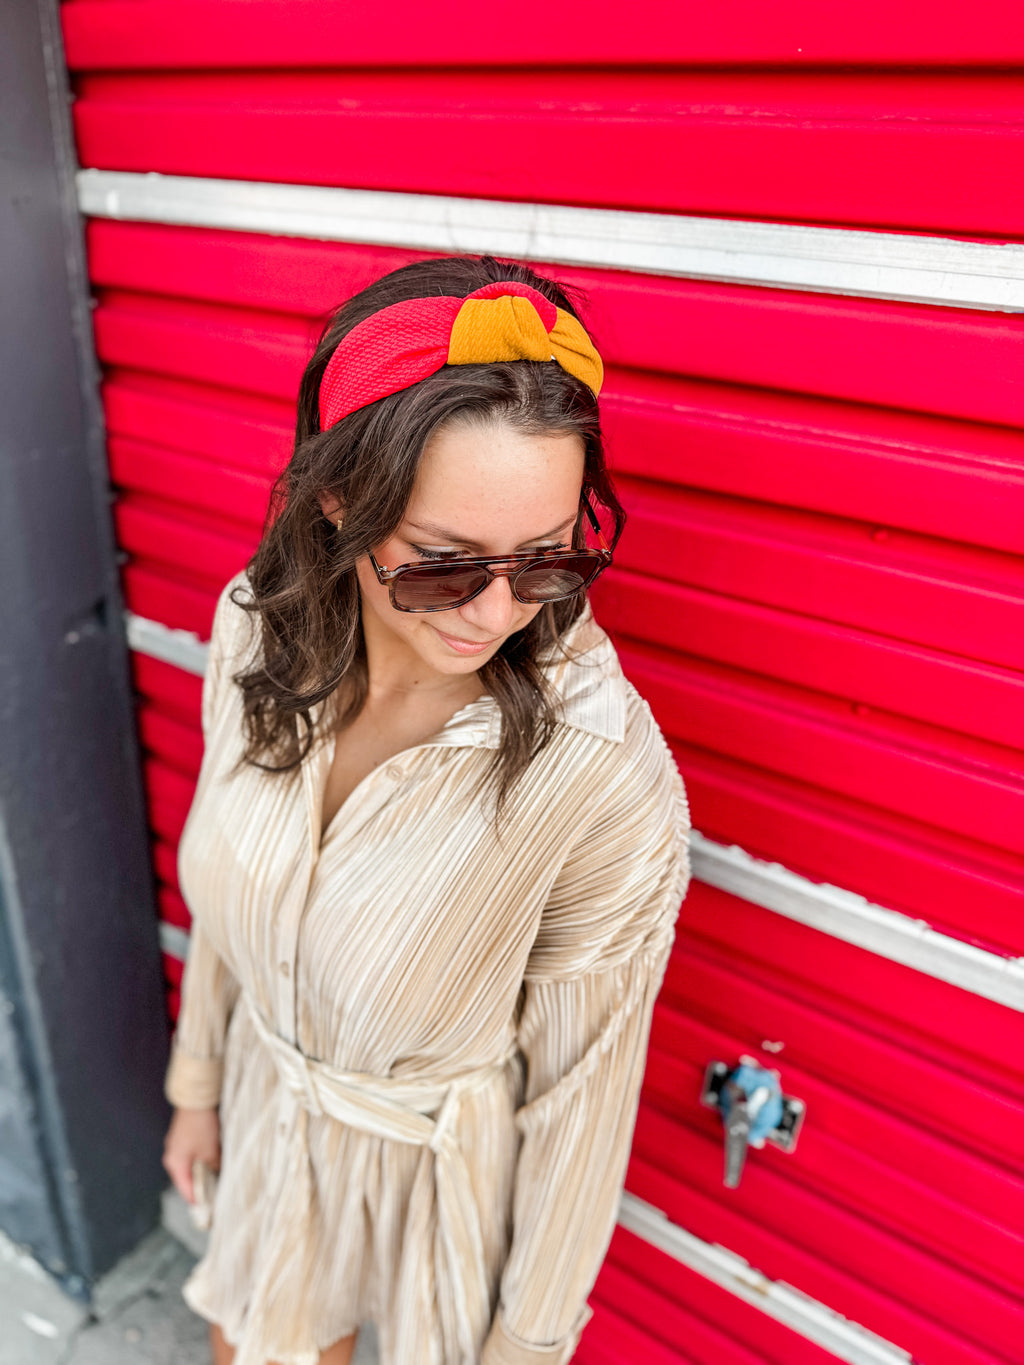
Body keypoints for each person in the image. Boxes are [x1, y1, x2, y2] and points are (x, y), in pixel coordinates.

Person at [161, 254, 691, 1365]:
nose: (497, 612)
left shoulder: (597, 772)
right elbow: (236, 895)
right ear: (338, 501)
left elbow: (579, 1107)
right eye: (445, 566)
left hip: (431, 1214)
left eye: (548, 559)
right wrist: (199, 1085)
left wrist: (527, 1346)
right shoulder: (257, 632)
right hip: (266, 1133)